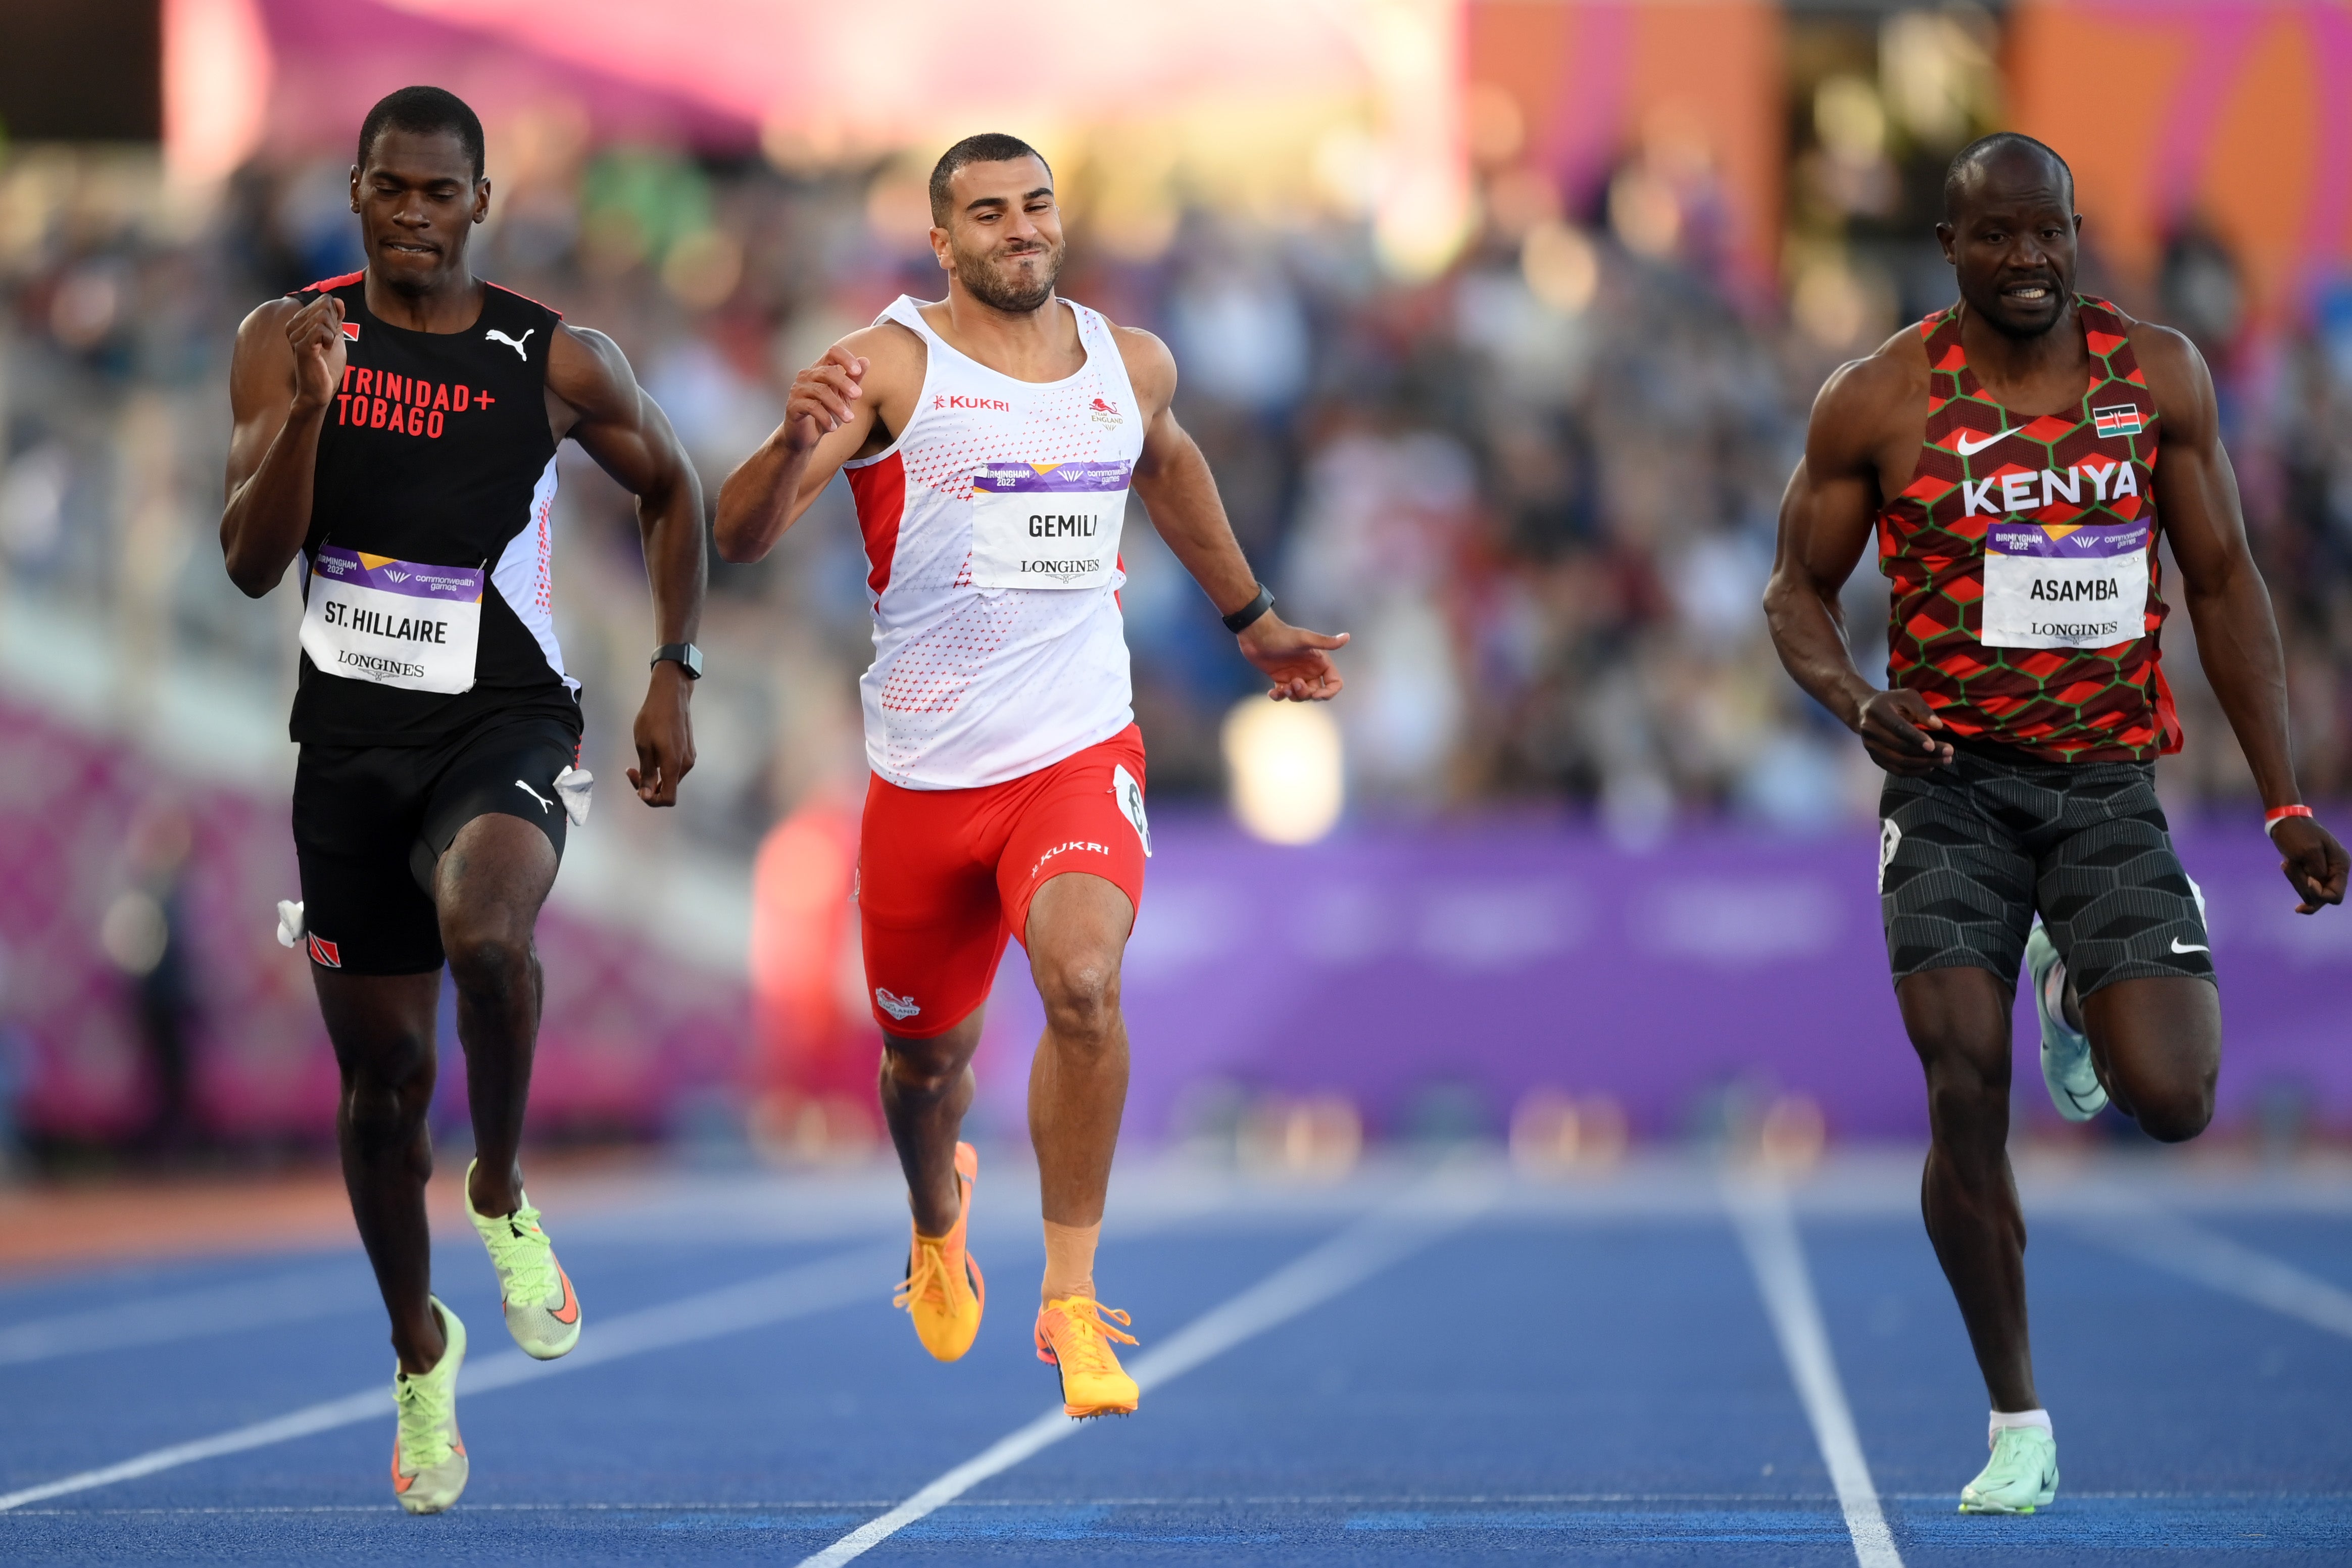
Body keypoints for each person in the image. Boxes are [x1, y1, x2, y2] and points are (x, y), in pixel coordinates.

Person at [715, 133, 1345, 1418]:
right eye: (987, 213)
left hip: (1074, 753)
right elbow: (740, 536)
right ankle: (937, 1219)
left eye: (1036, 207)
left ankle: (1071, 1298)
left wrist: (1252, 616)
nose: (1019, 229)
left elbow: (1167, 464)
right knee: (923, 1070)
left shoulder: (1130, 363)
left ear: (1060, 222)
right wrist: (789, 450)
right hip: (925, 779)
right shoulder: (889, 363)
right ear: (941, 241)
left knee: (1082, 985)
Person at [1765, 132, 2347, 1514]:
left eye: (2051, 234)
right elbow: (1793, 594)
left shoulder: (2158, 378)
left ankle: (2080, 988)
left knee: (2178, 1102)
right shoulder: (1880, 400)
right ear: (1953, 248)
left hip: (2102, 785)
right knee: (1963, 1086)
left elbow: (2220, 585)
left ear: (2077, 237)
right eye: (1999, 237)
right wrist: (1858, 703)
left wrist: (2284, 800)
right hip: (1954, 787)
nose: (2028, 259)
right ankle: (2016, 1417)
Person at [219, 86, 706, 1513]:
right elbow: (251, 561)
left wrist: (673, 669)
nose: (414, 216)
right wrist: (308, 417)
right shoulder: (284, 337)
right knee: (382, 1092)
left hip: (504, 720)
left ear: (479, 203)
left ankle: (497, 1187)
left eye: (441, 193)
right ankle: (419, 1356)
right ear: (356, 194)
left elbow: (672, 487)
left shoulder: (551, 358)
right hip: (349, 747)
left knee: (490, 938)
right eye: (389, 190)